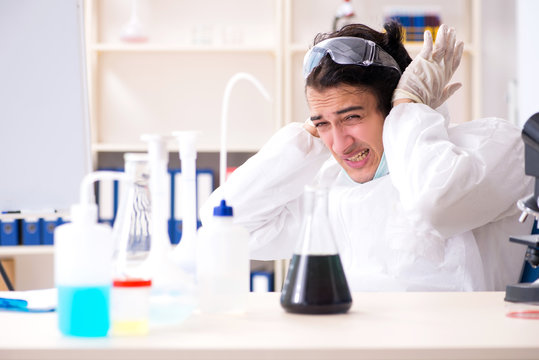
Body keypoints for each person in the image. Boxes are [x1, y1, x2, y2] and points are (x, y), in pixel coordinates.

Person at [200, 22, 533, 291]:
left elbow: (435, 207)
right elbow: (225, 225)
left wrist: (409, 107)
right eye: (323, 124)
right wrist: (308, 137)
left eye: (351, 118)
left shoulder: (492, 145)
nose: (341, 145)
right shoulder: (330, 188)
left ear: (393, 107)